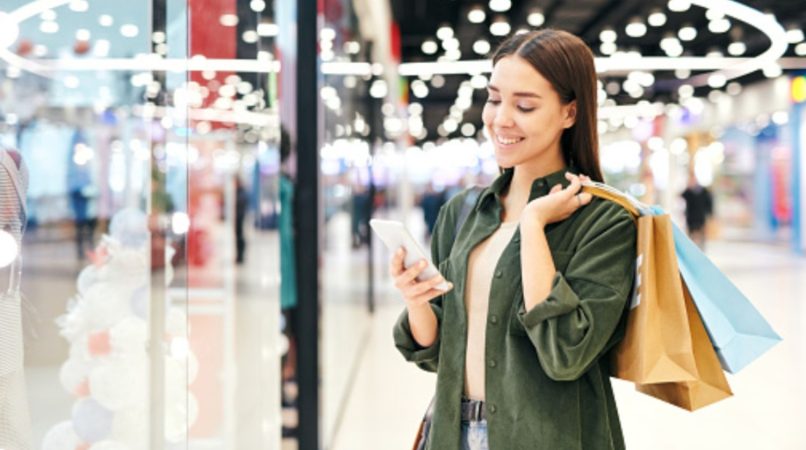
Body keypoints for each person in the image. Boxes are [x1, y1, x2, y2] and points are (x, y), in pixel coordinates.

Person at [391, 29, 637, 450]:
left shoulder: (605, 220)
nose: (500, 118)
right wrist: (417, 300)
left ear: (569, 113)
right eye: (493, 98)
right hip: (453, 433)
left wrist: (533, 226)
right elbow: (437, 355)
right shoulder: (463, 211)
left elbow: (566, 354)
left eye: (524, 105)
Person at [681, 174, 713, 249]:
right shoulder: (688, 191)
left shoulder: (704, 191)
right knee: (691, 233)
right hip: (691, 217)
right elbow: (682, 195)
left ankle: (701, 248)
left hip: (700, 216)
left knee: (701, 233)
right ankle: (691, 248)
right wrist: (688, 187)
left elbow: (709, 203)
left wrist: (710, 213)